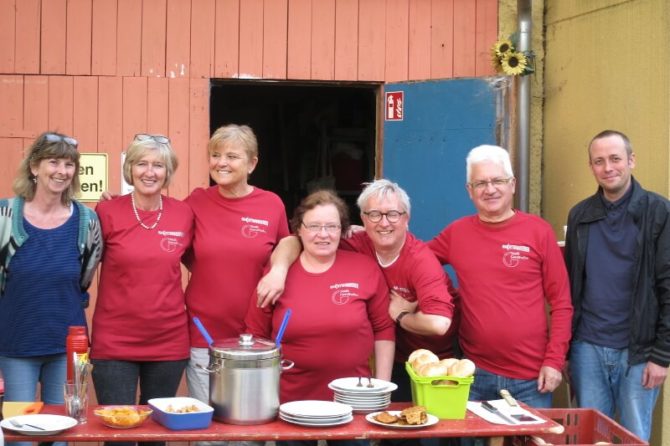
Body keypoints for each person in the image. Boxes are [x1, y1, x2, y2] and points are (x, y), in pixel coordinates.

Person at [259, 180, 456, 404]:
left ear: (406, 218)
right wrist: (279, 270)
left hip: (430, 361)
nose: (384, 223)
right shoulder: (352, 243)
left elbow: (439, 324)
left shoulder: (419, 260)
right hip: (384, 357)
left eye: (393, 214)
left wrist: (401, 315)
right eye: (374, 214)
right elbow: (295, 240)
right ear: (362, 218)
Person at [245, 190, 395, 446]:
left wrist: (380, 393)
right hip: (293, 402)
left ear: (342, 230)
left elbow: (384, 330)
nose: (323, 234)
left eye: (331, 226)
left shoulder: (364, 268)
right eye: (314, 226)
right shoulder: (276, 276)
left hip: (353, 400)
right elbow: (255, 338)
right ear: (298, 231)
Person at [428, 144, 573, 407]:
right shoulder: (456, 233)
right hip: (473, 376)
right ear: (469, 191)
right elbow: (414, 262)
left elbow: (562, 302)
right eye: (480, 183)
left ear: (513, 184)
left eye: (498, 180)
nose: (490, 189)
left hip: (531, 379)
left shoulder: (538, 232)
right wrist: (363, 240)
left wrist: (554, 361)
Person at [565, 130, 670, 441]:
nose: (608, 168)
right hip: (587, 347)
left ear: (631, 161)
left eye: (615, 159)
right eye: (599, 161)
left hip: (638, 351)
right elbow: (570, 287)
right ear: (591, 167)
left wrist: (662, 355)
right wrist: (567, 350)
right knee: (589, 436)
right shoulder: (581, 215)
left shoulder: (659, 212)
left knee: (633, 436)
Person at [91, 134, 193, 446]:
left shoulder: (184, 213)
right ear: (130, 169)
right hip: (115, 341)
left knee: (156, 435)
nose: (149, 172)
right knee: (118, 435)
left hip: (168, 340)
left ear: (168, 171)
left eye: (158, 165)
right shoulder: (107, 212)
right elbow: (79, 263)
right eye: (141, 163)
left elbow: (212, 259)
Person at [184, 124, 290, 407]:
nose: (221, 163)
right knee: (207, 427)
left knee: (248, 427)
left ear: (252, 163)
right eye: (216, 155)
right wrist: (121, 203)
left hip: (254, 336)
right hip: (204, 334)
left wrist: (278, 270)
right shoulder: (196, 202)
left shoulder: (270, 204)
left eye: (232, 156)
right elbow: (162, 227)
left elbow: (289, 244)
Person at [0, 132, 102, 413]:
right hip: (16, 344)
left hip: (70, 346)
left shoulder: (87, 221)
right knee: (18, 430)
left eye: (69, 165)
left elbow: (84, 279)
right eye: (53, 162)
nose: (62, 171)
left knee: (64, 430)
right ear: (34, 167)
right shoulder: (4, 216)